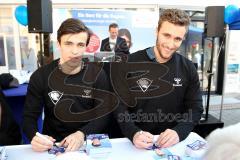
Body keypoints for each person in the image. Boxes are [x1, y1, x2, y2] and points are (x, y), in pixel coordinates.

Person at [115, 9, 203, 149]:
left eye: (177, 39)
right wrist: (133, 132)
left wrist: (179, 132)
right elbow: (119, 106)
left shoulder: (188, 68)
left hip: (172, 145)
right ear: (156, 31)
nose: (170, 44)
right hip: (134, 144)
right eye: (166, 35)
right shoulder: (129, 63)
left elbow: (196, 108)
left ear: (183, 38)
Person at [23, 18, 111, 152]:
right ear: (59, 44)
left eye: (80, 45)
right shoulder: (41, 76)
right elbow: (29, 117)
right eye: (68, 44)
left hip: (88, 142)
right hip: (54, 145)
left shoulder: (98, 74)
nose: (74, 51)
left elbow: (104, 114)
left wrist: (82, 134)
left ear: (86, 47)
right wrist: (34, 136)